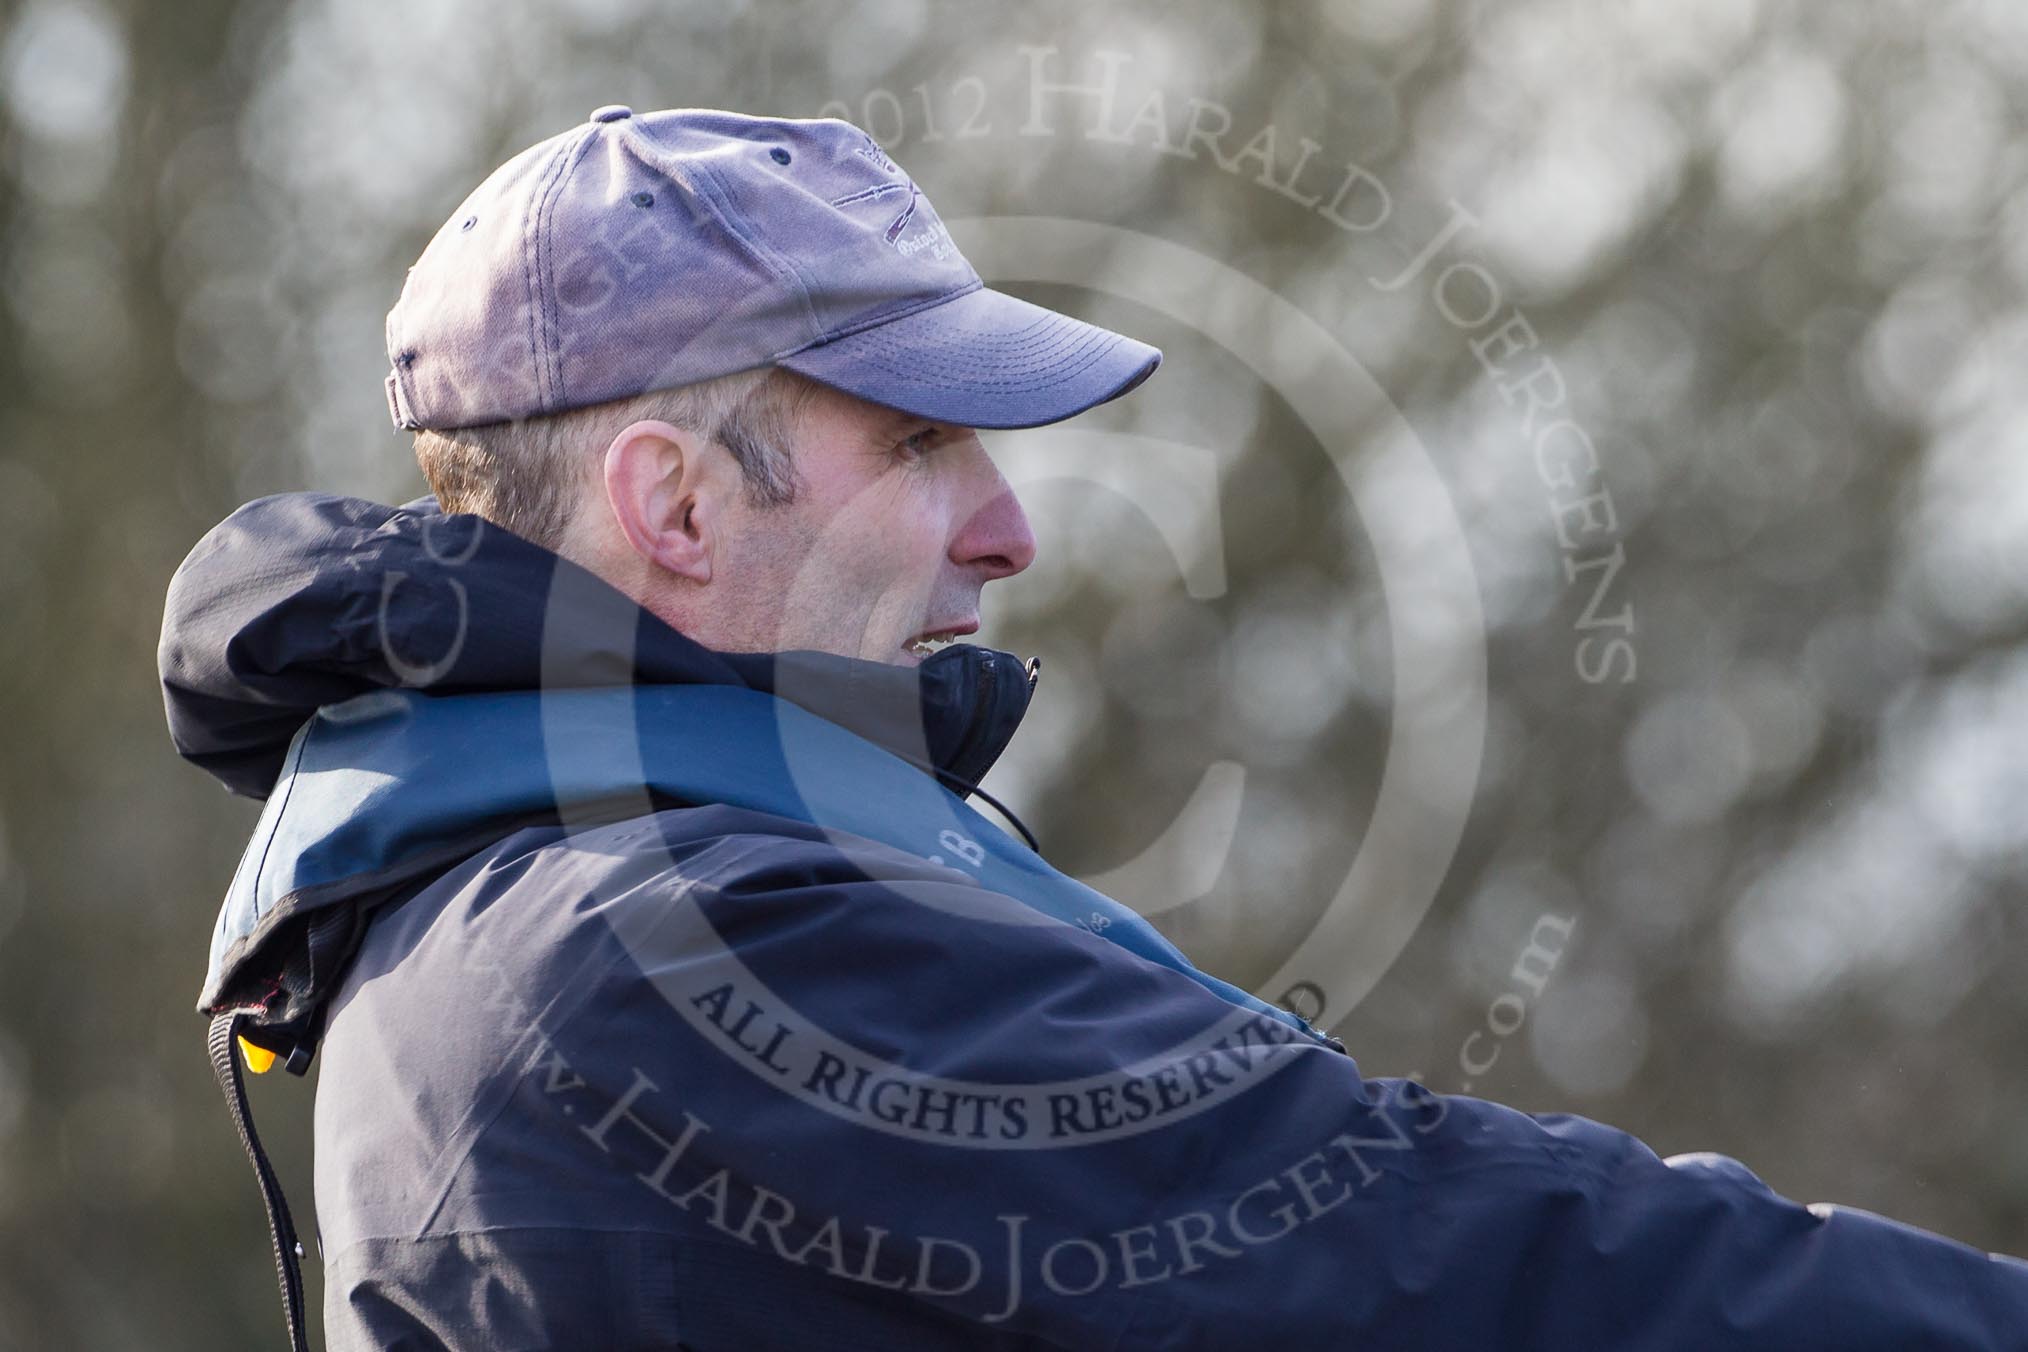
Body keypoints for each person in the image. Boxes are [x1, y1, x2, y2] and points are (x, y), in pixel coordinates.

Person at [160, 107, 2028, 1351]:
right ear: (675, 504)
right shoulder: (682, 943)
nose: (1009, 526)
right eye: (916, 442)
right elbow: (1444, 1261)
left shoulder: (534, 908)